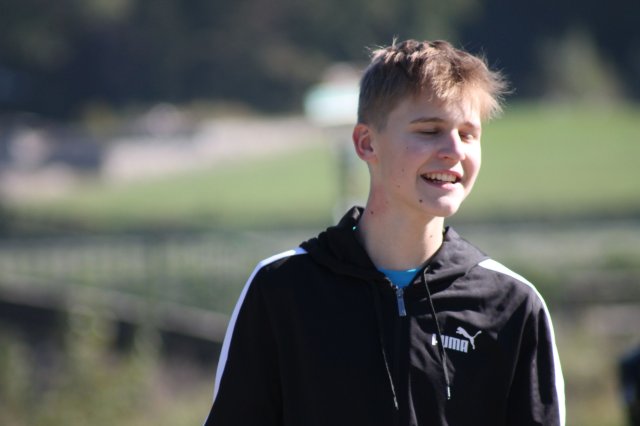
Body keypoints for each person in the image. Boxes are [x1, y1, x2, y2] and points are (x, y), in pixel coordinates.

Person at [204, 39, 565, 426]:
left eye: (467, 134)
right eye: (430, 130)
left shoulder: (513, 305)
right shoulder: (280, 289)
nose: (454, 151)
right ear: (366, 143)